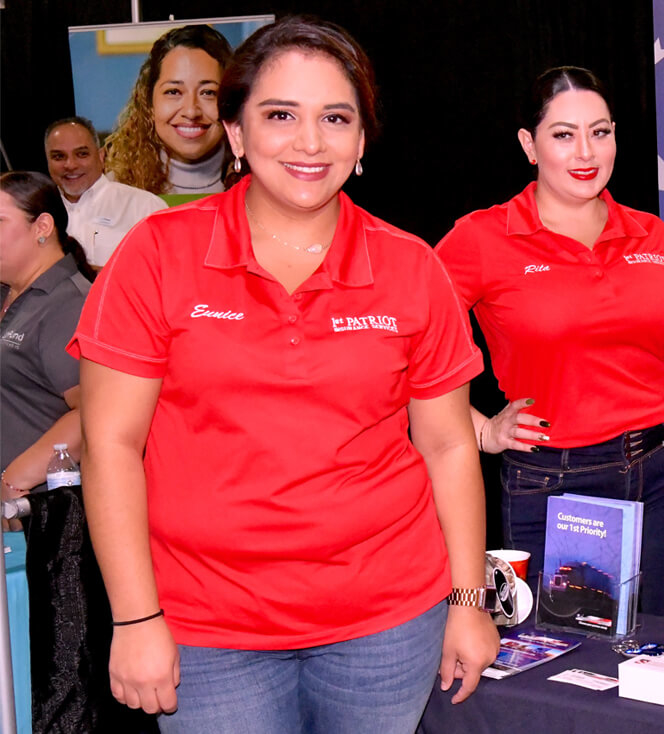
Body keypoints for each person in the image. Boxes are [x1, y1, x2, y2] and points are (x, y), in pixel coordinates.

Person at [69, 17, 498, 731]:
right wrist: (135, 617)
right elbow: (109, 444)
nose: (309, 143)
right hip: (207, 631)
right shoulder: (156, 255)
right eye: (280, 115)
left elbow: (450, 445)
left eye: (335, 118)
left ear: (361, 142)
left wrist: (468, 603)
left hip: (388, 626)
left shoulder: (410, 266)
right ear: (236, 133)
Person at [435, 66, 664, 618]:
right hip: (555, 485)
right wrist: (482, 430)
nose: (586, 152)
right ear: (529, 145)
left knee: (653, 651)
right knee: (567, 658)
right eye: (563, 134)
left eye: (600, 131)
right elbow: (409, 355)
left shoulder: (649, 232)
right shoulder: (481, 238)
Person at [0, 172, 95, 529]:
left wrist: (15, 481)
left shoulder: (69, 305)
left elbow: (96, 412)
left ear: (41, 227)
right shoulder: (10, 293)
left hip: (41, 518)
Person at [104, 24, 234, 197]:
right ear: (149, 103)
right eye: (173, 92)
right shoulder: (115, 190)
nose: (191, 112)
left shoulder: (260, 185)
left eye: (208, 93)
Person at [45, 117, 167, 266]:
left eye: (82, 154)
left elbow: (169, 269)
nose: (70, 165)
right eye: (59, 157)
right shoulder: (35, 211)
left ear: (101, 156)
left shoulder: (145, 207)